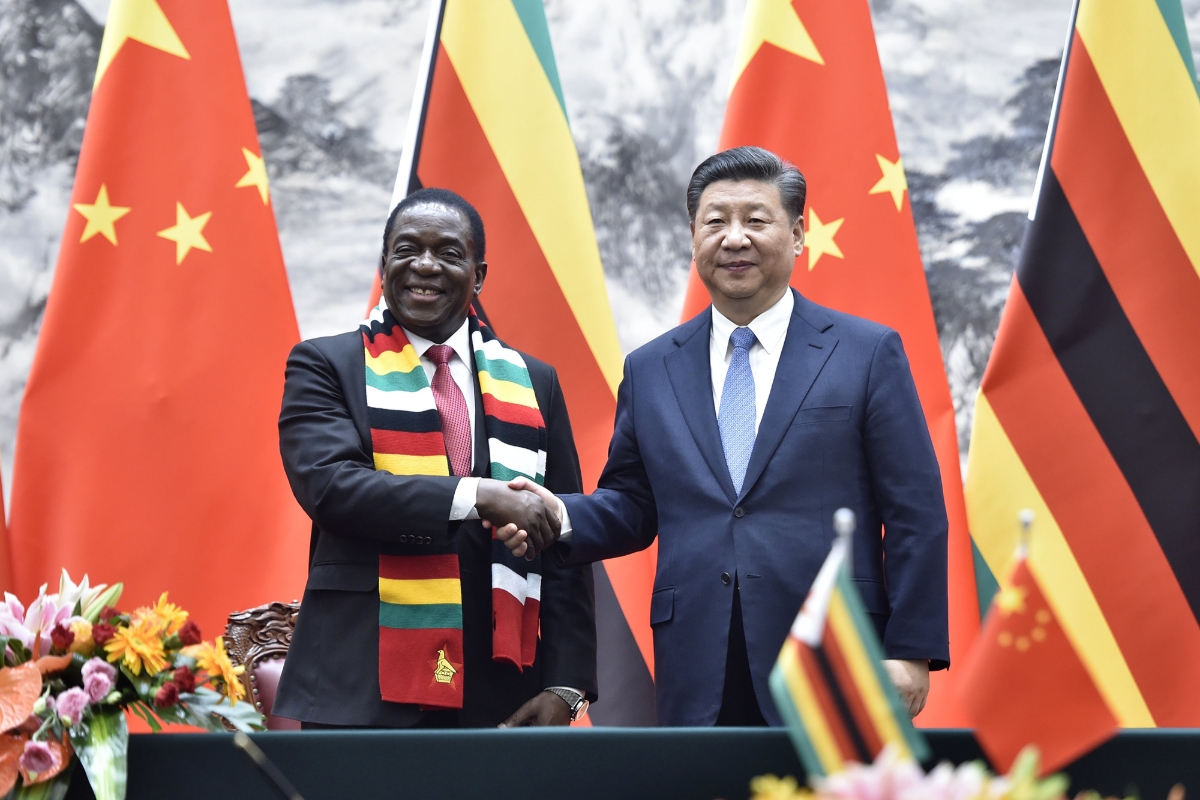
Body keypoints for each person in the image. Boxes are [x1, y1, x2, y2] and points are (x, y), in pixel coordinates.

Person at [503, 146, 948, 727]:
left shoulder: (865, 353)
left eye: (756, 220)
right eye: (716, 221)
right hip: (699, 655)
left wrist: (910, 650)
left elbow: (915, 510)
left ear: (797, 234)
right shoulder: (651, 367)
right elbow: (635, 504)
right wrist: (557, 515)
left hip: (835, 652)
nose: (734, 238)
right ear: (693, 237)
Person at [274, 188, 596, 728]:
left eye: (448, 253)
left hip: (500, 691)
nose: (424, 265)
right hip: (362, 687)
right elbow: (332, 489)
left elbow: (561, 533)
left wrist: (566, 684)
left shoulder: (534, 381)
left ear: (479, 273)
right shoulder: (326, 364)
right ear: (383, 265)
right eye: (406, 250)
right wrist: (478, 496)